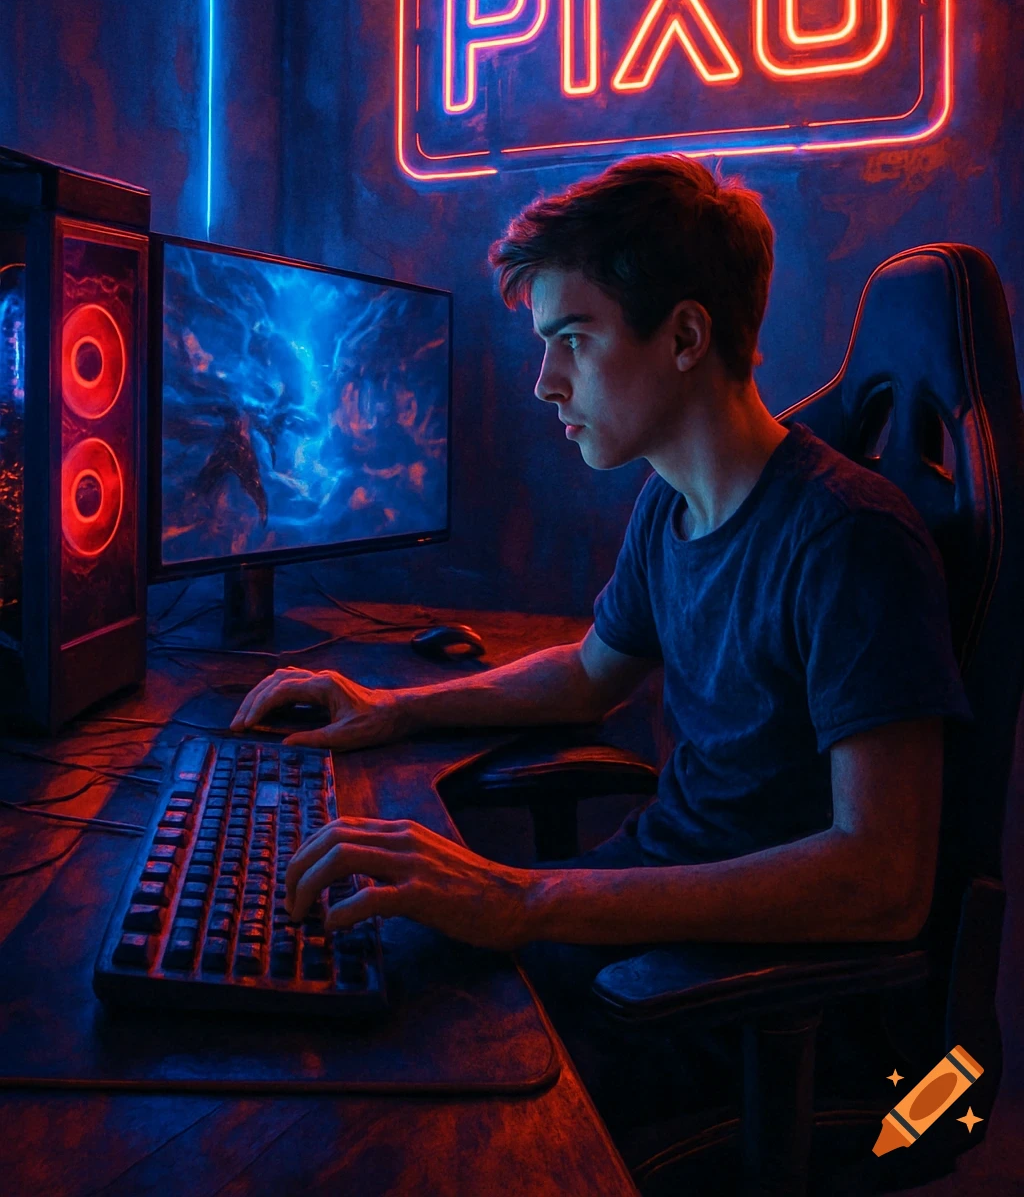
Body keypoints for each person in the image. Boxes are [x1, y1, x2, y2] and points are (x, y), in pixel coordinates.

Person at [230, 154, 973, 1127]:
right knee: (351, 967)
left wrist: (528, 898)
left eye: (572, 340)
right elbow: (587, 676)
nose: (545, 383)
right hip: (650, 917)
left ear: (686, 336)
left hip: (746, 1000)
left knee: (385, 1068)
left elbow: (881, 881)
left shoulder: (848, 539)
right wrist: (392, 709)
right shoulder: (671, 508)